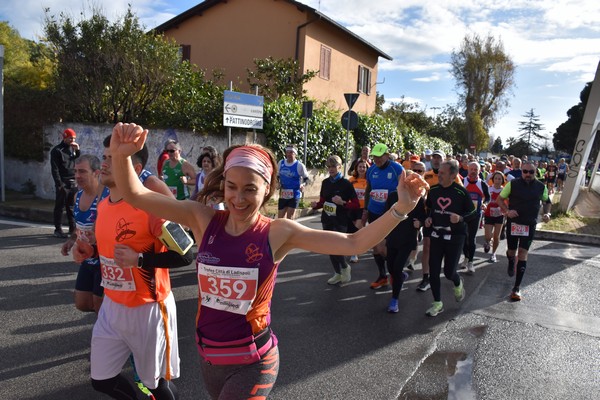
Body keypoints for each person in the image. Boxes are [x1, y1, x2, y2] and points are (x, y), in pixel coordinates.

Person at [109, 122, 428, 399]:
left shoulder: (277, 232)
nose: (238, 198)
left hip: (254, 363)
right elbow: (136, 195)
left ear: (268, 190)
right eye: (232, 187)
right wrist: (122, 154)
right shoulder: (203, 219)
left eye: (250, 189)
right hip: (208, 361)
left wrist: (401, 208)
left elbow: (353, 242)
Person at [87, 138, 187, 400]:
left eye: (113, 158)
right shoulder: (103, 205)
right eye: (105, 156)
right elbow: (110, 251)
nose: (104, 163)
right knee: (102, 380)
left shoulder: (151, 206)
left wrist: (140, 260)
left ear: (135, 166)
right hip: (112, 306)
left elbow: (185, 254)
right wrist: (88, 250)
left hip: (149, 308)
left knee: (156, 385)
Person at [424, 160, 477, 317]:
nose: (438, 175)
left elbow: (473, 213)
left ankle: (457, 282)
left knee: (448, 272)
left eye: (442, 173)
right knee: (433, 270)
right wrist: (428, 219)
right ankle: (437, 303)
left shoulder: (461, 192)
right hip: (437, 235)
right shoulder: (433, 190)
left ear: (453, 175)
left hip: (455, 237)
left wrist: (460, 218)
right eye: (438, 172)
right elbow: (430, 208)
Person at [497, 160, 551, 301]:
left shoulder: (540, 187)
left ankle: (516, 288)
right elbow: (500, 199)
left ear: (535, 172)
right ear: (521, 171)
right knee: (511, 251)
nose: (528, 174)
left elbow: (547, 202)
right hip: (514, 223)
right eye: (525, 171)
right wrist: (507, 211)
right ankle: (510, 260)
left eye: (531, 172)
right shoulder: (513, 184)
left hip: (529, 224)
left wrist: (547, 213)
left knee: (522, 253)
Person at [61, 154, 108, 313]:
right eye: (76, 171)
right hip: (87, 261)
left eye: (82, 172)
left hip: (103, 261)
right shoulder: (77, 195)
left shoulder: (106, 197)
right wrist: (72, 240)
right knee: (82, 304)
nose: (77, 176)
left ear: (96, 173)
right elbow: (78, 226)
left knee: (99, 306)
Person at [310, 155, 359, 284]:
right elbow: (322, 201)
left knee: (335, 247)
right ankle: (337, 273)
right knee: (328, 247)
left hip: (340, 220)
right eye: (329, 166)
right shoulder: (325, 182)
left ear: (339, 167)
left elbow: (355, 204)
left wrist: (342, 202)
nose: (331, 169)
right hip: (327, 219)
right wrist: (316, 205)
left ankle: (344, 267)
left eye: (333, 166)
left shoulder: (346, 184)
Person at [417, 150, 462, 292]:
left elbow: (461, 193)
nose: (436, 160)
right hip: (430, 215)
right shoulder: (427, 175)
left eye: (439, 158)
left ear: (444, 160)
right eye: (434, 158)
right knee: (427, 246)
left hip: (446, 218)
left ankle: (446, 273)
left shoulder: (454, 176)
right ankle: (426, 277)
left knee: (441, 249)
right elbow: (421, 191)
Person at [363, 143, 405, 289]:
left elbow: (403, 190)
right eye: (374, 156)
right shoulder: (371, 169)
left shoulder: (397, 168)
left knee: (384, 248)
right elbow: (369, 189)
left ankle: (396, 271)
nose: (377, 159)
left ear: (387, 155)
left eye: (380, 156)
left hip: (390, 214)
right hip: (374, 211)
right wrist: (365, 210)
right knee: (375, 247)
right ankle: (382, 276)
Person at [384, 181, 426, 313]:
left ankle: (394, 300)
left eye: (409, 184)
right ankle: (400, 276)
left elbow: (424, 217)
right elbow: (385, 214)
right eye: (404, 183)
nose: (406, 186)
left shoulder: (417, 199)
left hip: (407, 239)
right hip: (392, 237)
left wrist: (420, 223)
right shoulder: (392, 196)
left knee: (396, 268)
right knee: (390, 267)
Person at [50, 128, 81, 238]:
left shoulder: (72, 149)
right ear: (65, 137)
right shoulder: (57, 150)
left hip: (73, 182)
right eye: (70, 138)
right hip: (63, 182)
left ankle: (72, 229)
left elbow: (75, 162)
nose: (72, 140)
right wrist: (59, 184)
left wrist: (78, 151)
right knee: (59, 207)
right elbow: (55, 169)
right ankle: (58, 229)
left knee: (71, 207)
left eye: (74, 138)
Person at [461, 161, 490, 274]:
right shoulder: (462, 182)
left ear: (479, 171)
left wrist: (485, 204)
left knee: (471, 238)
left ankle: (471, 262)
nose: (473, 171)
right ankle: (466, 257)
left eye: (475, 169)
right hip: (463, 215)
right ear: (468, 170)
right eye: (471, 169)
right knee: (463, 238)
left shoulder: (482, 184)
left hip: (475, 215)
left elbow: (487, 197)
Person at [277, 144, 310, 219]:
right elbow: (277, 176)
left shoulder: (299, 165)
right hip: (283, 194)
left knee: (290, 218)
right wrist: (277, 183)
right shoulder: (281, 163)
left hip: (294, 195)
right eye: (287, 152)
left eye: (291, 152)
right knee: (280, 219)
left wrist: (303, 185)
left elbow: (307, 179)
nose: (289, 154)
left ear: (295, 154)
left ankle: (290, 231)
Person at [347, 159, 369, 263]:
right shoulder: (351, 180)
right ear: (356, 168)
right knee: (351, 230)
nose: (362, 169)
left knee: (358, 228)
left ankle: (354, 253)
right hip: (352, 208)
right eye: (360, 167)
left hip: (362, 208)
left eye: (364, 167)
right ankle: (354, 248)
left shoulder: (369, 181)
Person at [483, 171, 506, 263]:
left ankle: (493, 254)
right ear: (493, 180)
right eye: (496, 178)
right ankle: (489, 241)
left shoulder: (504, 190)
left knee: (497, 236)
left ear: (502, 180)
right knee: (488, 236)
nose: (497, 180)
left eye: (499, 179)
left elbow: (507, 202)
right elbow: (485, 199)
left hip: (499, 215)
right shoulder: (489, 189)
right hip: (489, 215)